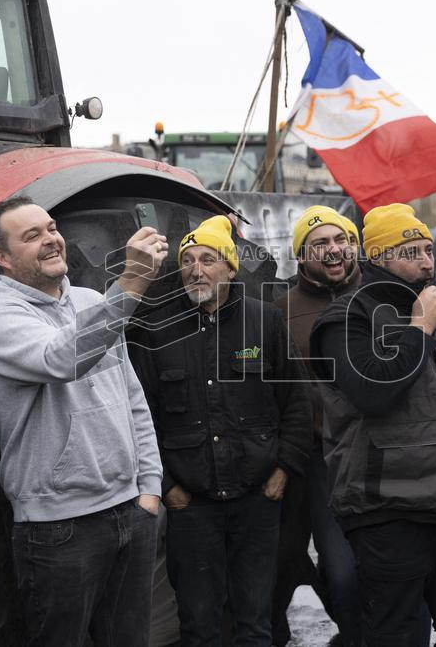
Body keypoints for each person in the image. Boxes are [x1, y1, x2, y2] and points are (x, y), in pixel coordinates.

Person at [0, 196, 165, 646]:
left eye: (51, 227)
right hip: (59, 528)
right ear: (2, 258)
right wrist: (132, 282)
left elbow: (131, 396)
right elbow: (61, 359)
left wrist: (149, 488)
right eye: (31, 235)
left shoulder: (90, 300)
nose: (50, 239)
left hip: (129, 512)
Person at [310, 204, 436, 646]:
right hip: (388, 508)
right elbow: (374, 393)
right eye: (411, 251)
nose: (428, 262)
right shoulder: (346, 319)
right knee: (398, 633)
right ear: (377, 256)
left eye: (429, 249)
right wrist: (419, 329)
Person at [132, 215, 311, 646]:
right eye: (188, 261)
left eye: (209, 260)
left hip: (256, 501)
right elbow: (142, 415)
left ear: (230, 268)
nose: (197, 270)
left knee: (255, 621)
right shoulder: (156, 332)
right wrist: (168, 485)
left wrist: (283, 469)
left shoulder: (264, 321)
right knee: (198, 624)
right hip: (191, 506)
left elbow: (296, 404)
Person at [271, 206, 365, 647]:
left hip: (371, 453)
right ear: (301, 256)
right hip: (312, 458)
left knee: (363, 569)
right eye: (320, 243)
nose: (334, 250)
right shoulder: (281, 310)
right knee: (317, 564)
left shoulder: (376, 297)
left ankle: (356, 636)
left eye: (341, 240)